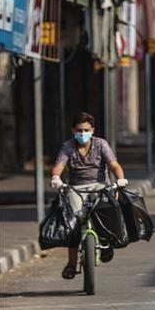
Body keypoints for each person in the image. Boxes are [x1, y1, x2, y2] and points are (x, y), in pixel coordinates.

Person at [50, 112, 128, 280]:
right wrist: (56, 177)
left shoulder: (101, 145)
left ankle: (107, 243)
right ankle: (71, 263)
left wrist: (120, 179)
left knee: (109, 211)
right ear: (73, 130)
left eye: (86, 130)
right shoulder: (68, 147)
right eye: (79, 130)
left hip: (100, 186)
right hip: (76, 188)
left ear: (92, 130)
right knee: (73, 225)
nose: (83, 134)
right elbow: (59, 166)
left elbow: (114, 165)